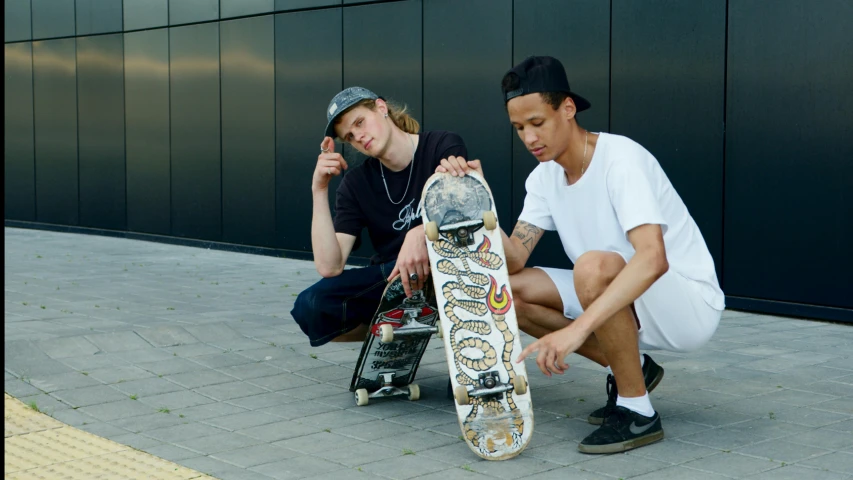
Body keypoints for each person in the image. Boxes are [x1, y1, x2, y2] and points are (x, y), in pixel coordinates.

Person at [437, 56, 724, 454]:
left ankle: (638, 412)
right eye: (519, 128)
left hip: (686, 305)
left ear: (568, 108)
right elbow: (516, 257)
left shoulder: (621, 160)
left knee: (592, 265)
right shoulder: (543, 177)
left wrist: (575, 330)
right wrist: (478, 200)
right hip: (617, 291)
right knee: (502, 292)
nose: (529, 137)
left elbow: (653, 259)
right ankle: (632, 370)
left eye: (538, 122)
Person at [291, 86, 468, 348]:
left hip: (448, 265)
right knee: (311, 306)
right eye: (349, 136)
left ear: (381, 108)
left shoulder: (441, 145)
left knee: (458, 391)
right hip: (392, 279)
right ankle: (394, 330)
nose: (358, 137)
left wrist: (419, 232)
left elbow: (462, 211)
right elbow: (330, 266)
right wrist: (319, 189)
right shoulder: (356, 183)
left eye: (360, 122)